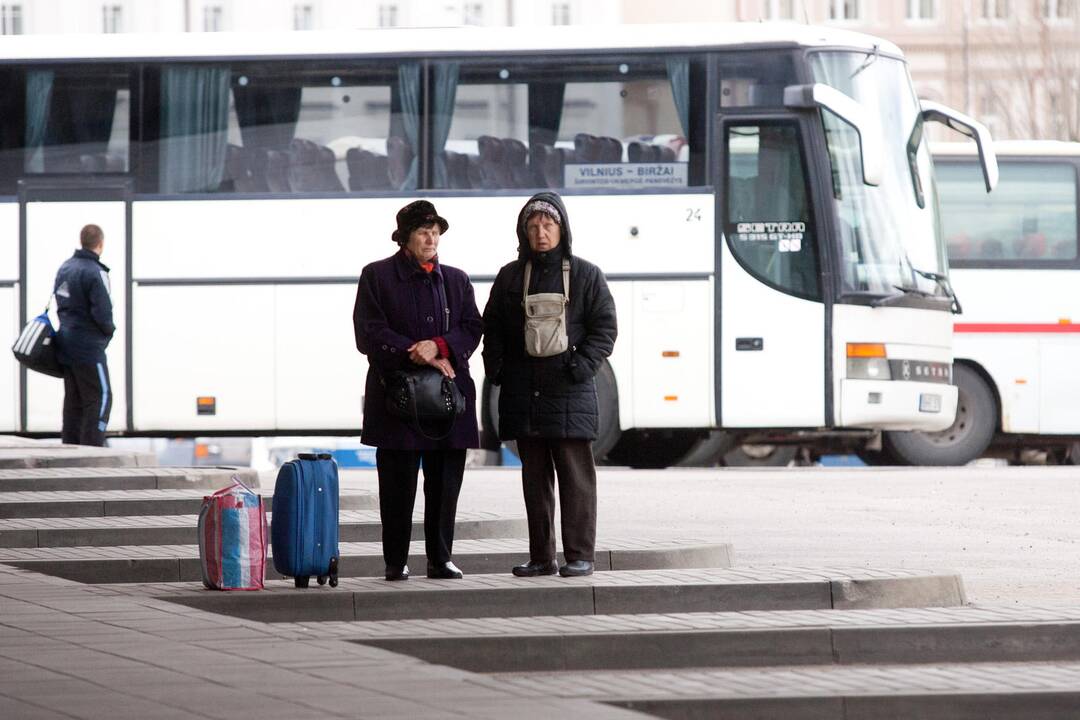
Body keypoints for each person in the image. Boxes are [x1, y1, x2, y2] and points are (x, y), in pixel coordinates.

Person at [482, 192, 617, 578]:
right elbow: (491, 328)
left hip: (569, 393)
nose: (541, 232)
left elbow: (605, 329)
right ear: (523, 231)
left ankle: (580, 555)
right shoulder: (510, 276)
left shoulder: (587, 274)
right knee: (534, 481)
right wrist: (499, 371)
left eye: (548, 224)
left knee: (576, 479)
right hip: (523, 394)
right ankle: (542, 556)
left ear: (562, 229)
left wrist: (580, 367)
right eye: (533, 225)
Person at [353, 200, 483, 581]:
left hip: (447, 401)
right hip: (396, 397)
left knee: (445, 484)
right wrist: (420, 352)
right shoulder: (376, 276)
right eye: (423, 231)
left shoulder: (456, 279)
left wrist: (441, 346)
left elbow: (472, 326)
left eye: (436, 231)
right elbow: (369, 332)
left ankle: (440, 558)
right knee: (397, 484)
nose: (431, 238)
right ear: (405, 238)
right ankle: (395, 560)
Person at [54, 224, 115, 447]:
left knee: (74, 398)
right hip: (89, 346)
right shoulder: (95, 272)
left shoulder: (65, 268)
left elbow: (60, 302)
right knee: (101, 396)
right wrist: (108, 332)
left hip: (66, 342)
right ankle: (94, 443)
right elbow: (103, 312)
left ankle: (71, 443)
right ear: (100, 243)